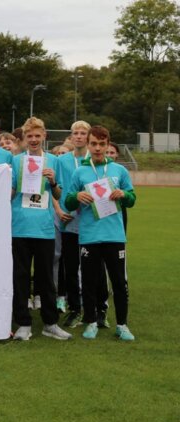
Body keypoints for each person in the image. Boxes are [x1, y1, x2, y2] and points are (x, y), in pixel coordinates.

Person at [64, 126, 136, 341]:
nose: (97, 148)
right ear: (88, 144)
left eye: (101, 144)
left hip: (114, 236)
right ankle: (91, 322)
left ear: (107, 145)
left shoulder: (119, 171)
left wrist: (123, 194)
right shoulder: (80, 172)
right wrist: (77, 196)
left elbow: (132, 200)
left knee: (119, 283)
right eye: (93, 143)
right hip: (89, 236)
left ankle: (122, 325)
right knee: (88, 281)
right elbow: (67, 202)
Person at [10, 117, 72, 341]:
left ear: (44, 135)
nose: (34, 140)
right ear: (24, 138)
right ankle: (23, 324)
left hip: (44, 227)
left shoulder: (54, 161)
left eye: (38, 136)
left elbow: (58, 195)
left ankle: (50, 323)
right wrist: (13, 187)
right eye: (30, 136)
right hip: (19, 226)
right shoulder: (16, 161)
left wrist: (53, 182)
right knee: (21, 277)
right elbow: (10, 194)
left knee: (46, 278)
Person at [56, 120, 92, 327]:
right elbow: (57, 188)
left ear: (88, 136)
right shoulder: (63, 161)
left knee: (90, 267)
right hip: (69, 219)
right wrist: (60, 210)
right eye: (75, 133)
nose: (78, 136)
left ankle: (92, 309)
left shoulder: (93, 160)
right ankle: (74, 309)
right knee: (70, 267)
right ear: (70, 137)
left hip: (89, 220)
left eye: (82, 133)